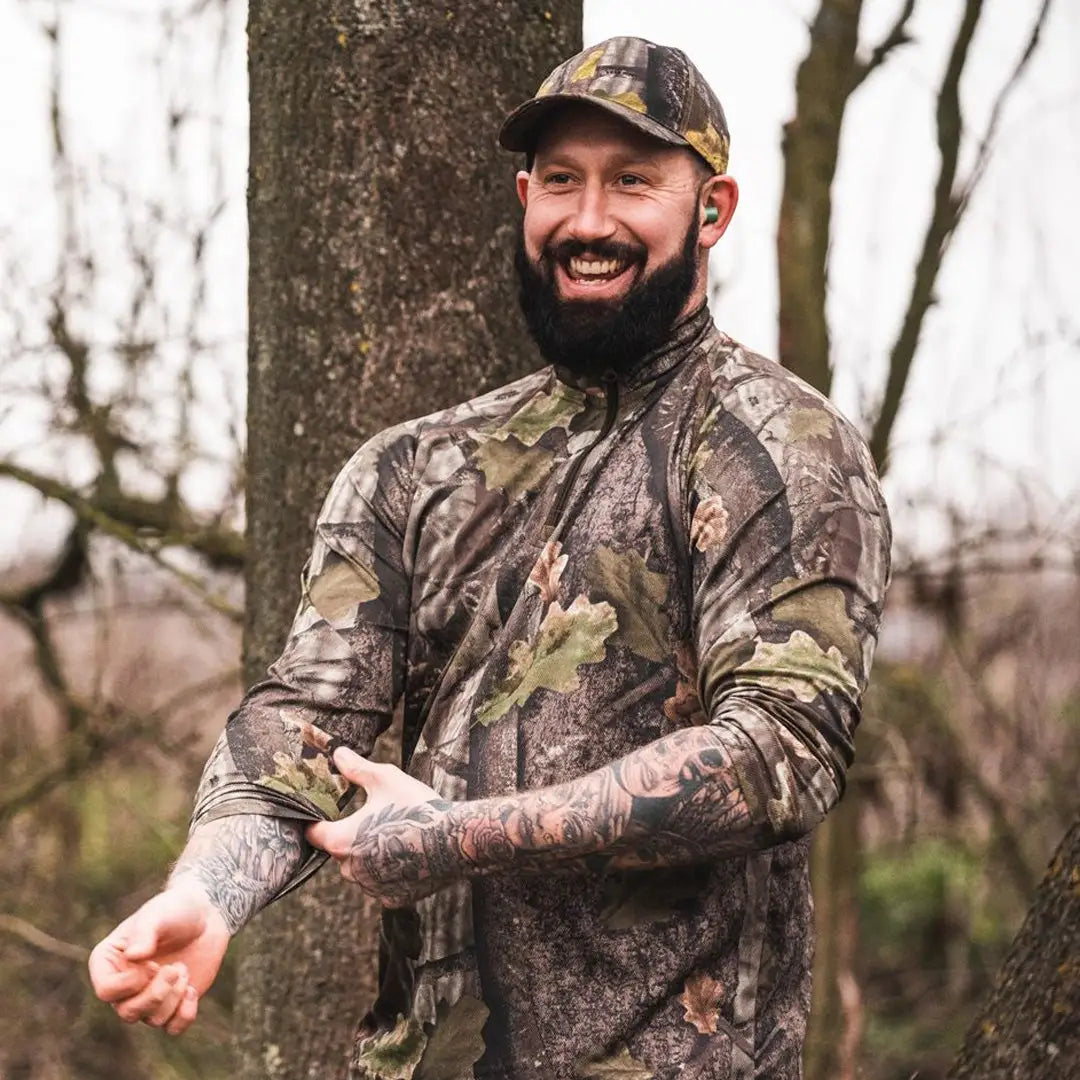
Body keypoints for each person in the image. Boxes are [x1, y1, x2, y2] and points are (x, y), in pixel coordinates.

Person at [89, 36, 890, 1079]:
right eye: (562, 181)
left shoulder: (780, 451)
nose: (589, 221)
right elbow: (306, 718)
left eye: (633, 182)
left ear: (713, 211)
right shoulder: (411, 469)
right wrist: (203, 894)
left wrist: (459, 833)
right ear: (524, 197)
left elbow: (780, 753)